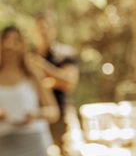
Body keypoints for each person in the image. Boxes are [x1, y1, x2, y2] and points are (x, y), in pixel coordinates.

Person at [0, 25, 59, 156]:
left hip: (34, 142)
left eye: (15, 41)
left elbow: (54, 112)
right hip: (3, 143)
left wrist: (36, 115)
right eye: (6, 40)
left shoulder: (32, 75)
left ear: (22, 45)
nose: (10, 45)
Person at [29, 13, 79, 153]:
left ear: (53, 29)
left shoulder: (65, 54)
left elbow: (69, 81)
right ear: (33, 32)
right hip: (37, 117)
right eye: (39, 28)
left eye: (47, 27)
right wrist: (53, 81)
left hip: (63, 115)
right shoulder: (27, 57)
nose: (43, 32)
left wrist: (43, 67)